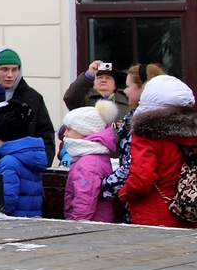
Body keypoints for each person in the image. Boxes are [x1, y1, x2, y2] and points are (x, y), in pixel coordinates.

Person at [116, 74, 197, 229]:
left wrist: (124, 193)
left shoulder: (146, 134)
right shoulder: (191, 137)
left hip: (153, 213)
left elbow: (141, 178)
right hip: (188, 211)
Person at [100, 63, 166, 217]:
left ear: (143, 88)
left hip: (146, 207)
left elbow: (134, 170)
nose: (125, 90)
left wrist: (102, 187)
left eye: (129, 86)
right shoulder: (159, 118)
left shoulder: (144, 124)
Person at [0, 47, 56, 166]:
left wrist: (41, 164)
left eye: (15, 70)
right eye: (4, 69)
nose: (10, 75)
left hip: (24, 169)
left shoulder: (33, 98)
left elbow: (45, 135)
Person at [0, 102, 47, 217]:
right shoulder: (31, 158)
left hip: (12, 223)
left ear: (6, 136)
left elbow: (7, 200)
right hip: (32, 220)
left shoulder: (9, 162)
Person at [60, 105, 118, 222]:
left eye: (70, 129)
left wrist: (76, 225)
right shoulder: (88, 156)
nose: (65, 134)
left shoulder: (89, 162)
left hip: (91, 225)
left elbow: (85, 199)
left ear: (85, 132)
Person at [64, 60, 129, 120]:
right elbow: (70, 97)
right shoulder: (85, 99)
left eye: (108, 78)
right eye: (99, 78)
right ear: (93, 83)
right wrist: (89, 75)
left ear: (115, 85)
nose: (103, 80)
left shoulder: (126, 101)